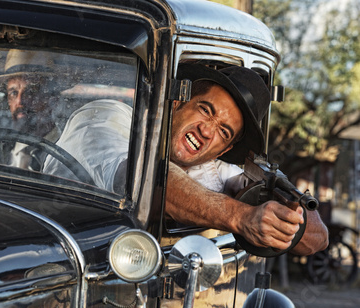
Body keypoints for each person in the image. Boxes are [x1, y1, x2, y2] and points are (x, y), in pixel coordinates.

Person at [44, 63, 328, 256]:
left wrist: (289, 211)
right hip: (52, 249)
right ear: (178, 102)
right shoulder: (108, 117)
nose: (206, 130)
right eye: (205, 110)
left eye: (223, 131)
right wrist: (241, 217)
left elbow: (318, 238)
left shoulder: (210, 168)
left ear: (224, 149)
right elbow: (144, 180)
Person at [0, 49, 67, 169]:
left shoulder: (69, 151)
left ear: (53, 100)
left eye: (31, 92)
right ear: (8, 101)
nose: (20, 101)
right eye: (14, 93)